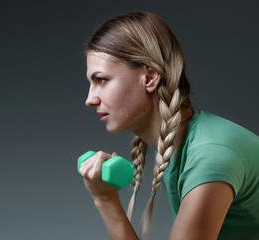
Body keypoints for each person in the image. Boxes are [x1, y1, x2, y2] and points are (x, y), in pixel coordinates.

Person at [78, 12, 259, 240]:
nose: (89, 99)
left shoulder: (210, 155)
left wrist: (106, 201)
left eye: (101, 80)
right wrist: (104, 199)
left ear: (150, 77)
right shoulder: (179, 146)